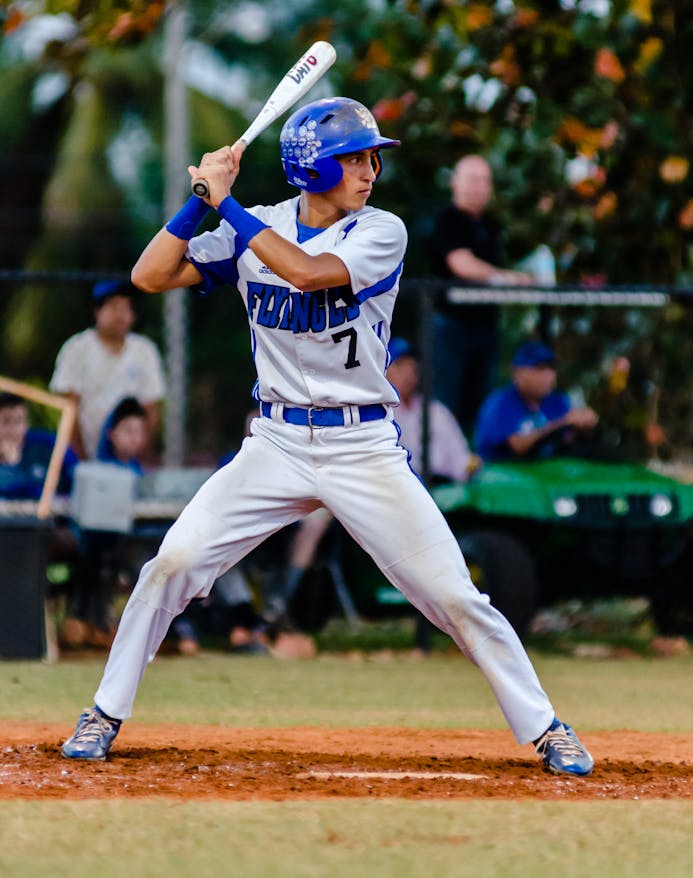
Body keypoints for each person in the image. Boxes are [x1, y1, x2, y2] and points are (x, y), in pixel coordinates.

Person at [61, 96, 593, 777]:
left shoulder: (380, 231)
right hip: (276, 443)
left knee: (456, 595)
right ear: (310, 169)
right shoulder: (259, 226)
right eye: (353, 159)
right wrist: (200, 199)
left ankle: (546, 728)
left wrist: (227, 206)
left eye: (372, 157)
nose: (370, 170)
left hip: (363, 446)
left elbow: (306, 273)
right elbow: (149, 274)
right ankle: (104, 711)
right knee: (171, 563)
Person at [428, 155, 534, 435]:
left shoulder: (491, 224)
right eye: (473, 180)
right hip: (451, 328)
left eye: (484, 181)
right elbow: (461, 264)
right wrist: (505, 278)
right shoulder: (448, 220)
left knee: (482, 404)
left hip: (486, 326)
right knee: (446, 405)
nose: (479, 188)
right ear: (455, 183)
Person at [60, 397, 151, 650]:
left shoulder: (139, 474)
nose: (136, 438)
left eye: (140, 432)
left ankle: (102, 624)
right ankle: (87, 621)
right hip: (92, 544)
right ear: (111, 434)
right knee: (98, 556)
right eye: (129, 431)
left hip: (125, 545)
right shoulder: (94, 471)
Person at [49, 280, 166, 461]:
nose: (121, 315)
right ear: (97, 312)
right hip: (85, 452)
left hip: (128, 458)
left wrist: (141, 455)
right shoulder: (76, 348)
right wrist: (81, 459)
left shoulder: (145, 351)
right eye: (114, 307)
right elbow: (68, 407)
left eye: (126, 308)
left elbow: (150, 408)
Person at [474, 340, 599, 462]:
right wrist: (562, 423)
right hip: (500, 476)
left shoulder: (557, 401)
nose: (548, 376)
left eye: (551, 368)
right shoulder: (499, 404)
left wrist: (583, 426)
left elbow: (569, 440)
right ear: (518, 372)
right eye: (540, 368)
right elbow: (517, 447)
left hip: (544, 475)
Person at [386, 337, 480, 483]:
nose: (408, 374)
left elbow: (463, 461)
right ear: (384, 370)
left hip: (443, 489)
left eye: (413, 367)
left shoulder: (436, 410)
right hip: (399, 487)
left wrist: (470, 466)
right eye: (400, 365)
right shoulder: (377, 414)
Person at [0, 392, 77, 499]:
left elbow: (74, 485)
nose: (13, 430)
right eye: (6, 421)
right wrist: (10, 466)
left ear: (27, 423)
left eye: (18, 421)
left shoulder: (48, 447)